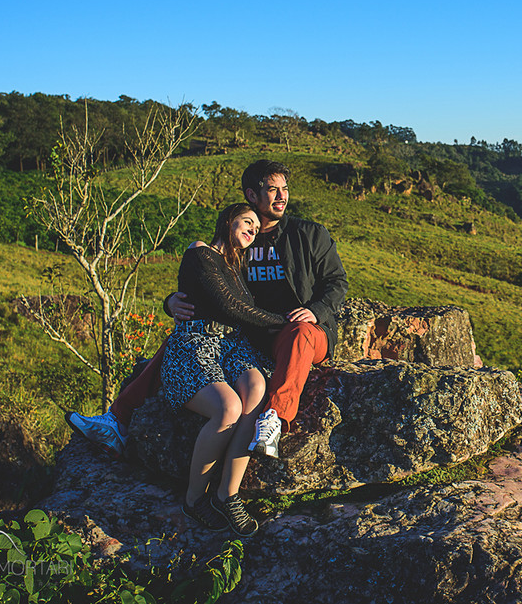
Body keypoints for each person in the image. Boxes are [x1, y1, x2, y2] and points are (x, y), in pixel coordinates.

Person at [66, 158, 348, 470]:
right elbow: (207, 281)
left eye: (285, 189)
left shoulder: (309, 234)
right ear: (251, 195)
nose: (282, 196)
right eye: (273, 190)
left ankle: (274, 420)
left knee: (299, 333)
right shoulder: (242, 237)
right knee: (186, 334)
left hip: (302, 332)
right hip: (252, 335)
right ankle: (116, 420)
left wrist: (314, 311)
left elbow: (337, 282)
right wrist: (171, 302)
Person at [165, 202, 281, 536]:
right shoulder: (201, 252)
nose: (252, 230)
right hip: (195, 343)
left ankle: (228, 494)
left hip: (231, 345)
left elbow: (243, 309)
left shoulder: (237, 266)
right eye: (246, 222)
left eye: (256, 228)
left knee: (256, 389)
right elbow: (229, 306)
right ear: (228, 221)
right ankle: (193, 499)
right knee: (228, 407)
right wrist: (283, 322)